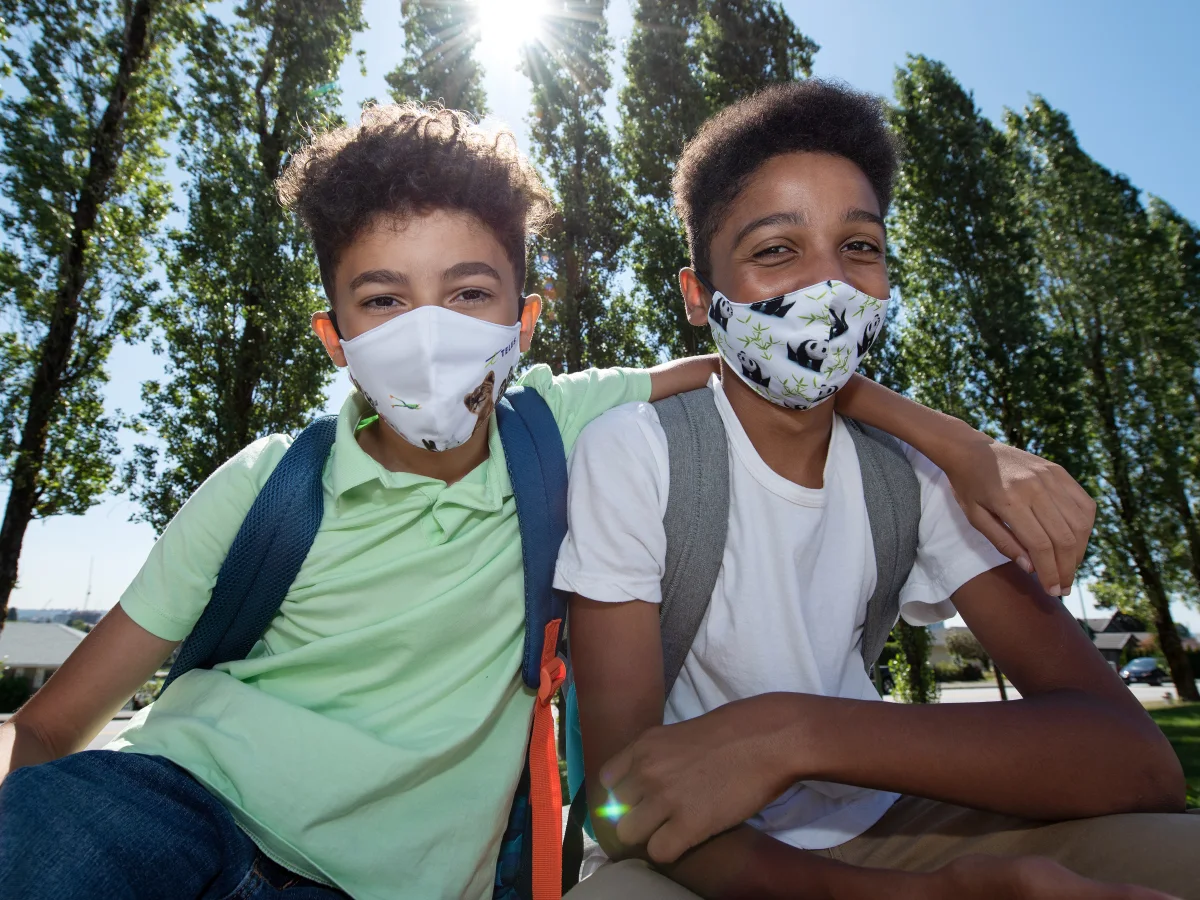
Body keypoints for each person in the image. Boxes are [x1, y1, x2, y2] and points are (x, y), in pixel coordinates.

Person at [0, 103, 1093, 900]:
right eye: (382, 300)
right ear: (334, 337)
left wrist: (961, 446)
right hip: (177, 800)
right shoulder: (263, 484)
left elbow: (778, 357)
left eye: (469, 292)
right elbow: (52, 722)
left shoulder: (567, 426)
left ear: (524, 324)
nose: (429, 330)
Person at [557, 81, 1198, 900]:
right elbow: (627, 804)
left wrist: (794, 734)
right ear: (698, 297)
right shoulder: (638, 455)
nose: (828, 289)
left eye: (859, 247)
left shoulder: (914, 474)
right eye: (776, 251)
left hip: (896, 825)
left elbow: (1135, 763)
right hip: (694, 854)